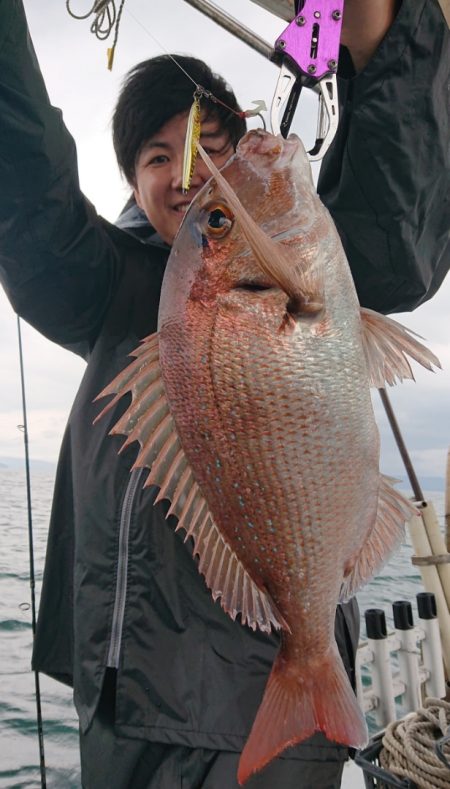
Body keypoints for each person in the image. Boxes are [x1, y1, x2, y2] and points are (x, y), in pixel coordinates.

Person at [0, 1, 448, 787]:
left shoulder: (318, 257)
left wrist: (389, 34)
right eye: (157, 156)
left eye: (211, 147)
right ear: (130, 182)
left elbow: (395, 220)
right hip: (122, 704)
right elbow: (29, 193)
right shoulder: (104, 281)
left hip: (261, 697)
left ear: (242, 151)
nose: (187, 174)